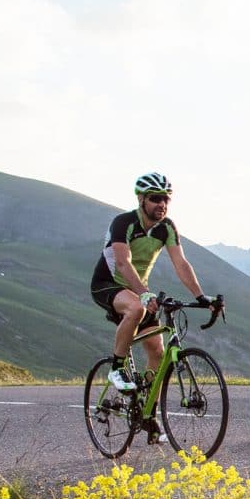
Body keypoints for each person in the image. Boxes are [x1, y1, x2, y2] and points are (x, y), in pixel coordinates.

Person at [90, 172, 221, 440]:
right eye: (155, 199)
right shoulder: (123, 223)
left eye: (166, 200)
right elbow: (123, 263)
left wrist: (200, 296)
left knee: (158, 353)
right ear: (141, 199)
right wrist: (144, 294)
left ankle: (147, 414)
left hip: (139, 289)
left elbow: (181, 264)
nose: (161, 204)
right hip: (109, 283)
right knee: (137, 309)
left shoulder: (167, 227)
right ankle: (116, 369)